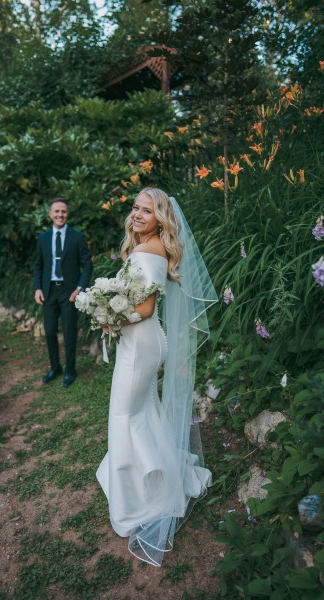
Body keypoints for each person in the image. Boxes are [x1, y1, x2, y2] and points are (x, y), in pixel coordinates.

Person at [96, 188, 217, 566]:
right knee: (142, 411)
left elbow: (145, 309)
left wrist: (109, 316)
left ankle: (136, 501)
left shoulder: (149, 252)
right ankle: (156, 478)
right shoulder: (146, 248)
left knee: (123, 414)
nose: (137, 215)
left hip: (141, 343)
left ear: (160, 218)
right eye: (135, 208)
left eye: (146, 211)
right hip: (143, 343)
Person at [34, 197, 93, 387]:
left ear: (67, 214)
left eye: (64, 211)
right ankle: (55, 367)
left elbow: (87, 264)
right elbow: (38, 266)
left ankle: (70, 370)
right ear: (50, 214)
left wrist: (79, 288)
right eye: (57, 211)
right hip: (49, 291)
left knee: (69, 332)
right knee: (50, 331)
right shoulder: (42, 239)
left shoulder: (77, 237)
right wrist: (37, 288)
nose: (60, 215)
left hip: (69, 293)